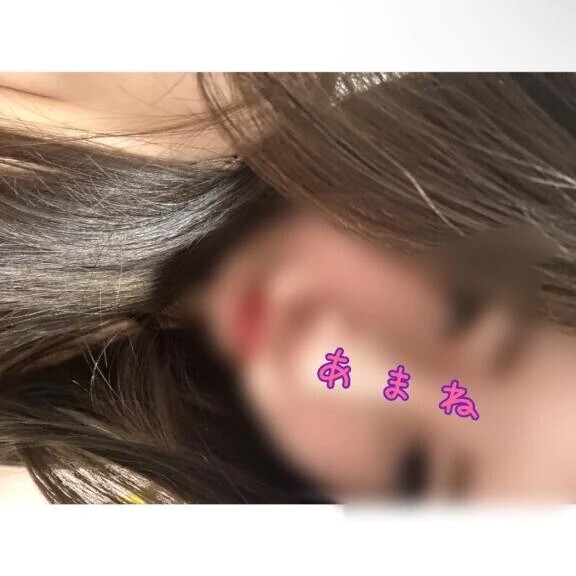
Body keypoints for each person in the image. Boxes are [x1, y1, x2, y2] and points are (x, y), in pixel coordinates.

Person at [0, 73, 575, 503]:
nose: (319, 360)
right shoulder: (175, 92)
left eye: (411, 466)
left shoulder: (86, 457)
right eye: (462, 312)